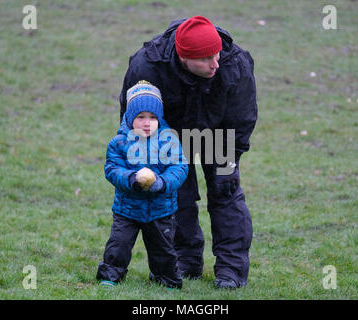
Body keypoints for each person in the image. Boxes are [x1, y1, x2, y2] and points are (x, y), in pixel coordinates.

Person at [119, 16, 258, 289]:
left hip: (221, 135)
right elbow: (132, 113)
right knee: (174, 193)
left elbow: (243, 116)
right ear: (184, 58)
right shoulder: (147, 66)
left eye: (216, 54)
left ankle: (230, 271)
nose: (215, 63)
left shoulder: (234, 64)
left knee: (225, 192)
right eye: (206, 59)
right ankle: (185, 261)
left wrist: (231, 156)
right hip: (170, 138)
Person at [96, 81, 188, 289]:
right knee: (118, 244)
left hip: (161, 209)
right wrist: (132, 179)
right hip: (127, 208)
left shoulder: (169, 141)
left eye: (153, 117)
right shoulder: (119, 142)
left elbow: (179, 167)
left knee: (163, 249)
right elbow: (112, 169)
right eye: (141, 117)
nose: (147, 122)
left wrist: (162, 183)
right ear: (130, 118)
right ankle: (111, 275)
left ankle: (166, 279)